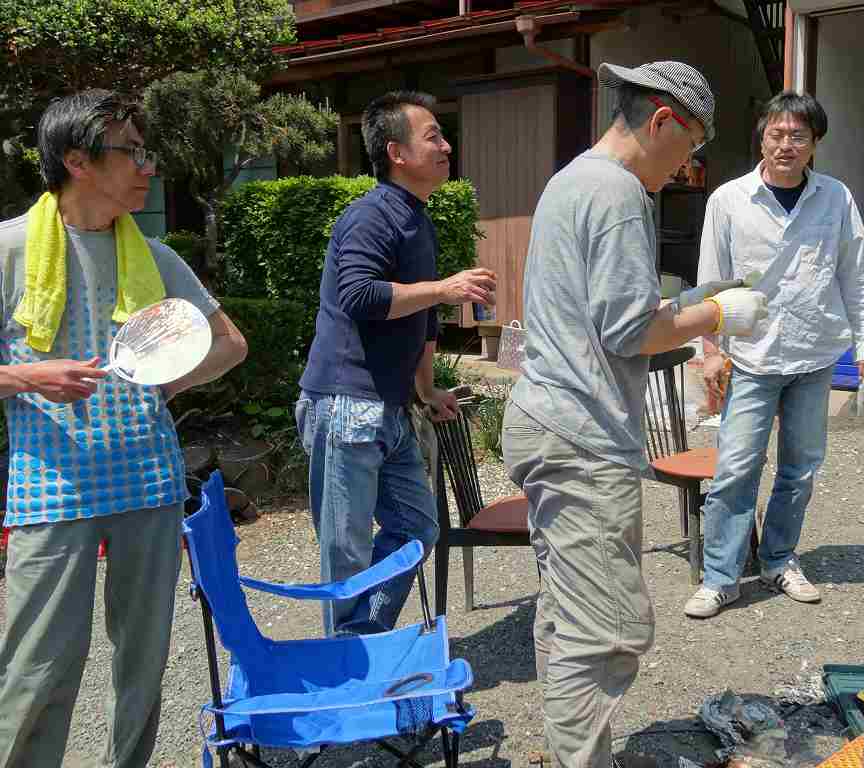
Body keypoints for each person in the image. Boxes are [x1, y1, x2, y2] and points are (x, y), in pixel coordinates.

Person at [501, 61, 768, 768]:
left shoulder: (572, 179)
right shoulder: (619, 192)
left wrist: (697, 300)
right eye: (691, 148)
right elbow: (629, 332)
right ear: (662, 121)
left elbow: (603, 312)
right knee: (608, 629)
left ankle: (570, 752)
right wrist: (718, 315)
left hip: (545, 419)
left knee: (568, 609)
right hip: (581, 434)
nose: (687, 168)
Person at [0, 90, 248, 767]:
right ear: (77, 161)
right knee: (36, 670)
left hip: (147, 484)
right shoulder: (10, 250)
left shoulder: (155, 258)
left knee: (142, 665)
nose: (148, 166)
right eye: (131, 152)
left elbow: (230, 343)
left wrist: (164, 380)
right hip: (50, 493)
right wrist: (29, 376)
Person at [296, 91, 497, 637]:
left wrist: (427, 391)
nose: (446, 146)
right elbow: (359, 295)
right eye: (433, 136)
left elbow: (423, 320)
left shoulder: (417, 219)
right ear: (396, 152)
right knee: (346, 551)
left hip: (389, 405)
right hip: (345, 403)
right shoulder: (370, 215)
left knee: (417, 527)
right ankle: (347, 664)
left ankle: (362, 638)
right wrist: (443, 288)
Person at [684, 91, 864, 619]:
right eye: (776, 134)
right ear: (761, 138)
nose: (786, 145)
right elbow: (711, 279)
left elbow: (856, 273)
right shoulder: (729, 199)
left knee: (799, 469)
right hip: (751, 356)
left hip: (813, 354)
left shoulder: (836, 198)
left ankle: (778, 561)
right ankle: (721, 577)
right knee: (736, 469)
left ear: (814, 143)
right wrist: (711, 350)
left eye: (798, 135)